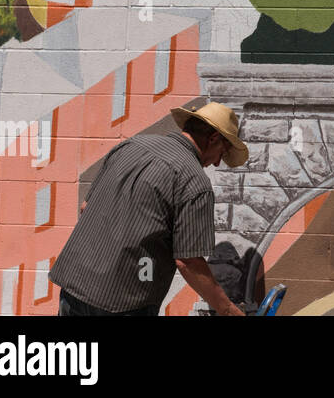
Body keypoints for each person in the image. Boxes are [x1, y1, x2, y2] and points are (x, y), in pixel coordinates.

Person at [50, 100, 249, 316]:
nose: (219, 162)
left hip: (75, 286)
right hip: (124, 302)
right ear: (213, 138)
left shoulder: (131, 145)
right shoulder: (194, 181)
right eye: (223, 151)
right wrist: (227, 309)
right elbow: (188, 261)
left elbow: (85, 207)